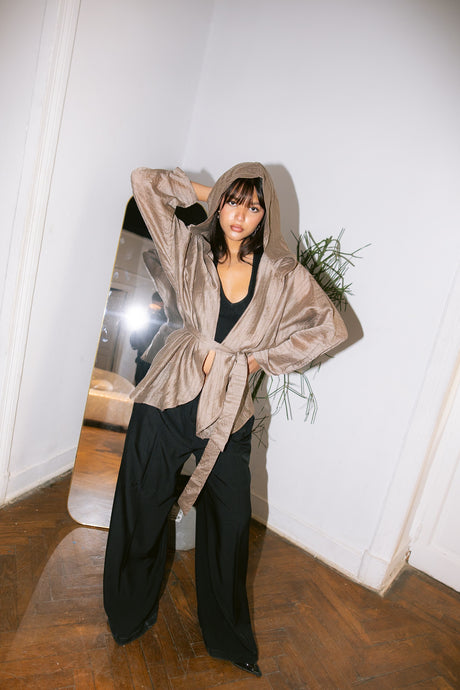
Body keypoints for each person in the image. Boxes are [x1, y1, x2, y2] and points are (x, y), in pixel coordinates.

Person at [103, 163, 348, 677]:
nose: (240, 215)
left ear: (265, 215)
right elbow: (144, 182)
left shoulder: (281, 274)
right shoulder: (190, 250)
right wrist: (213, 191)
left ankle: (228, 638)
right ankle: (128, 612)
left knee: (231, 524)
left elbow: (329, 327)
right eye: (233, 202)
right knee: (141, 505)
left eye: (253, 206)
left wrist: (260, 360)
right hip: (168, 396)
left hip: (228, 410)